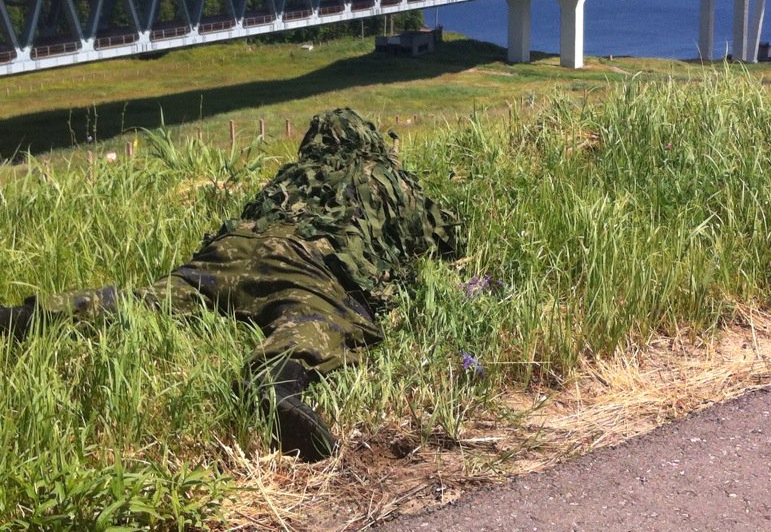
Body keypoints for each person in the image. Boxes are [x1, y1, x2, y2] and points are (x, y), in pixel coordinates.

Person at [0, 108, 458, 461]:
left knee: (149, 301)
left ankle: (27, 316)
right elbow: (445, 236)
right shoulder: (386, 178)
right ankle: (276, 387)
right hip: (302, 261)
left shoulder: (293, 174)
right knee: (309, 319)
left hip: (230, 252)